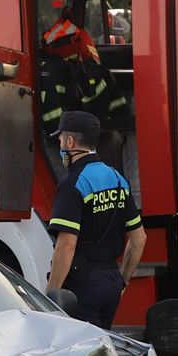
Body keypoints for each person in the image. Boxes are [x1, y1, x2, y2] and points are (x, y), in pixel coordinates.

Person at [46, 111, 146, 329]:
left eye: (61, 139)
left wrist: (51, 295)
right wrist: (122, 280)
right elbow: (139, 238)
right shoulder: (118, 179)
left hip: (81, 286)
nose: (61, 145)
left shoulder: (72, 183)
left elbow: (66, 245)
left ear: (70, 141)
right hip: (110, 281)